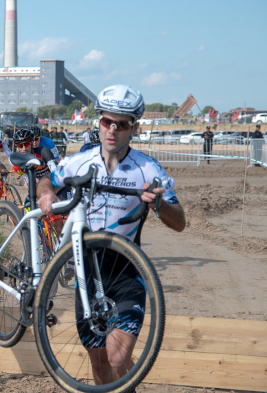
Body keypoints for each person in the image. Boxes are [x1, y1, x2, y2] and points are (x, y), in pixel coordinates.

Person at [37, 84, 185, 386]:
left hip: (127, 272)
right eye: (107, 121)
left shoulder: (146, 169)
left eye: (122, 124)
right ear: (99, 122)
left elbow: (180, 220)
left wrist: (158, 203)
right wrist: (46, 195)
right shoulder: (82, 161)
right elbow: (46, 181)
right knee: (99, 362)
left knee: (118, 357)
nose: (112, 129)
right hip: (87, 272)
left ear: (135, 127)